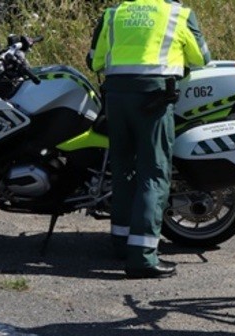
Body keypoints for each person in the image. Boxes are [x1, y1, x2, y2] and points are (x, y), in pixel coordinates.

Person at [87, 0, 211, 279]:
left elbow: (93, 60)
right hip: (154, 98)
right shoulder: (179, 14)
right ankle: (142, 257)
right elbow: (202, 59)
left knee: (123, 170)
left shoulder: (113, 13)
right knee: (154, 174)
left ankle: (122, 242)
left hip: (117, 98)